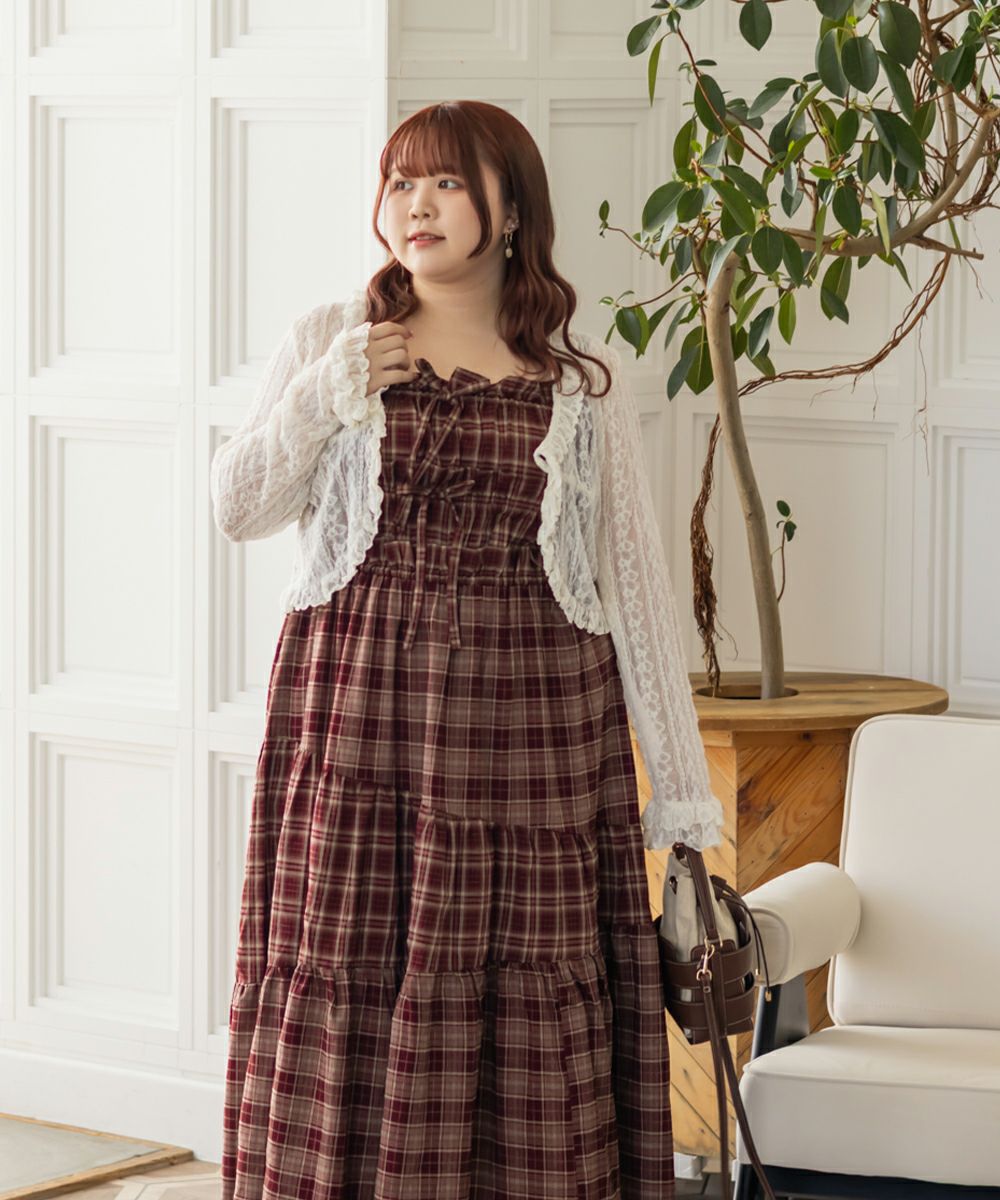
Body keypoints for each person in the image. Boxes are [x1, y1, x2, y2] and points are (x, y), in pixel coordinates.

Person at [213, 99, 722, 1200]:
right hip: (358, 723)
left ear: (510, 208)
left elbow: (636, 591)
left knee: (518, 993)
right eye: (401, 181)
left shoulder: (578, 378)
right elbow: (238, 506)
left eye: (446, 181)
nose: (418, 204)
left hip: (529, 733)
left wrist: (682, 804)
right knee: (347, 964)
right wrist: (326, 393)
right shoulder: (332, 338)